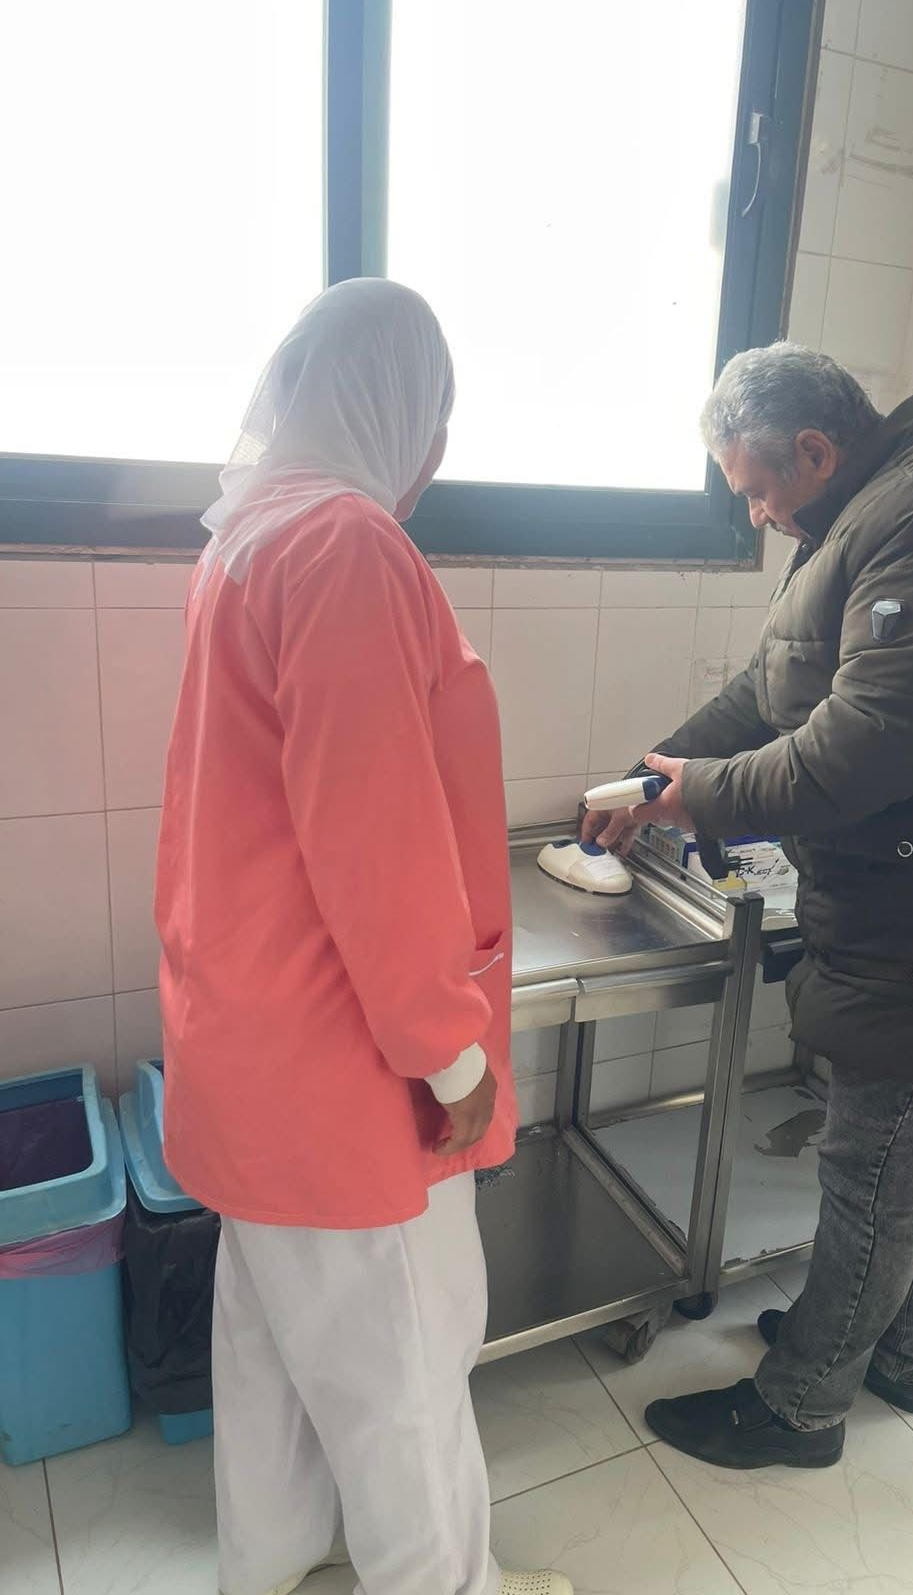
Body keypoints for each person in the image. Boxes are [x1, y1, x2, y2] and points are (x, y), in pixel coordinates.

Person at [587, 344, 913, 1470]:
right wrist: (657, 769)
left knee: (874, 1179)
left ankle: (803, 1406)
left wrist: (698, 795)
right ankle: (900, 1353)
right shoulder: (871, 504)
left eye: (757, 489)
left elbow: (868, 747)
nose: (756, 514)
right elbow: (774, 685)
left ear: (815, 450)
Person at [156, 279, 570, 1595]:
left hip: (243, 1041)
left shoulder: (245, 540)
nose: (434, 451)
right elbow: (374, 833)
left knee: (272, 1347)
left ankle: (271, 1562)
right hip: (343, 1064)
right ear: (401, 410)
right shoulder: (345, 545)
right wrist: (449, 1052)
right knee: (404, 1368)